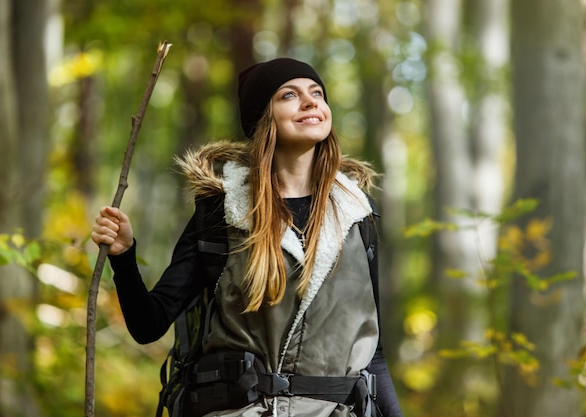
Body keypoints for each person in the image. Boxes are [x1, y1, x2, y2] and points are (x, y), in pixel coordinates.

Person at [91, 57, 403, 417]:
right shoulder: (221, 213)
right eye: (289, 94)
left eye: (317, 93)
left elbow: (373, 355)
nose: (310, 102)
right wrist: (124, 256)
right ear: (263, 118)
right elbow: (149, 325)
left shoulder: (358, 215)